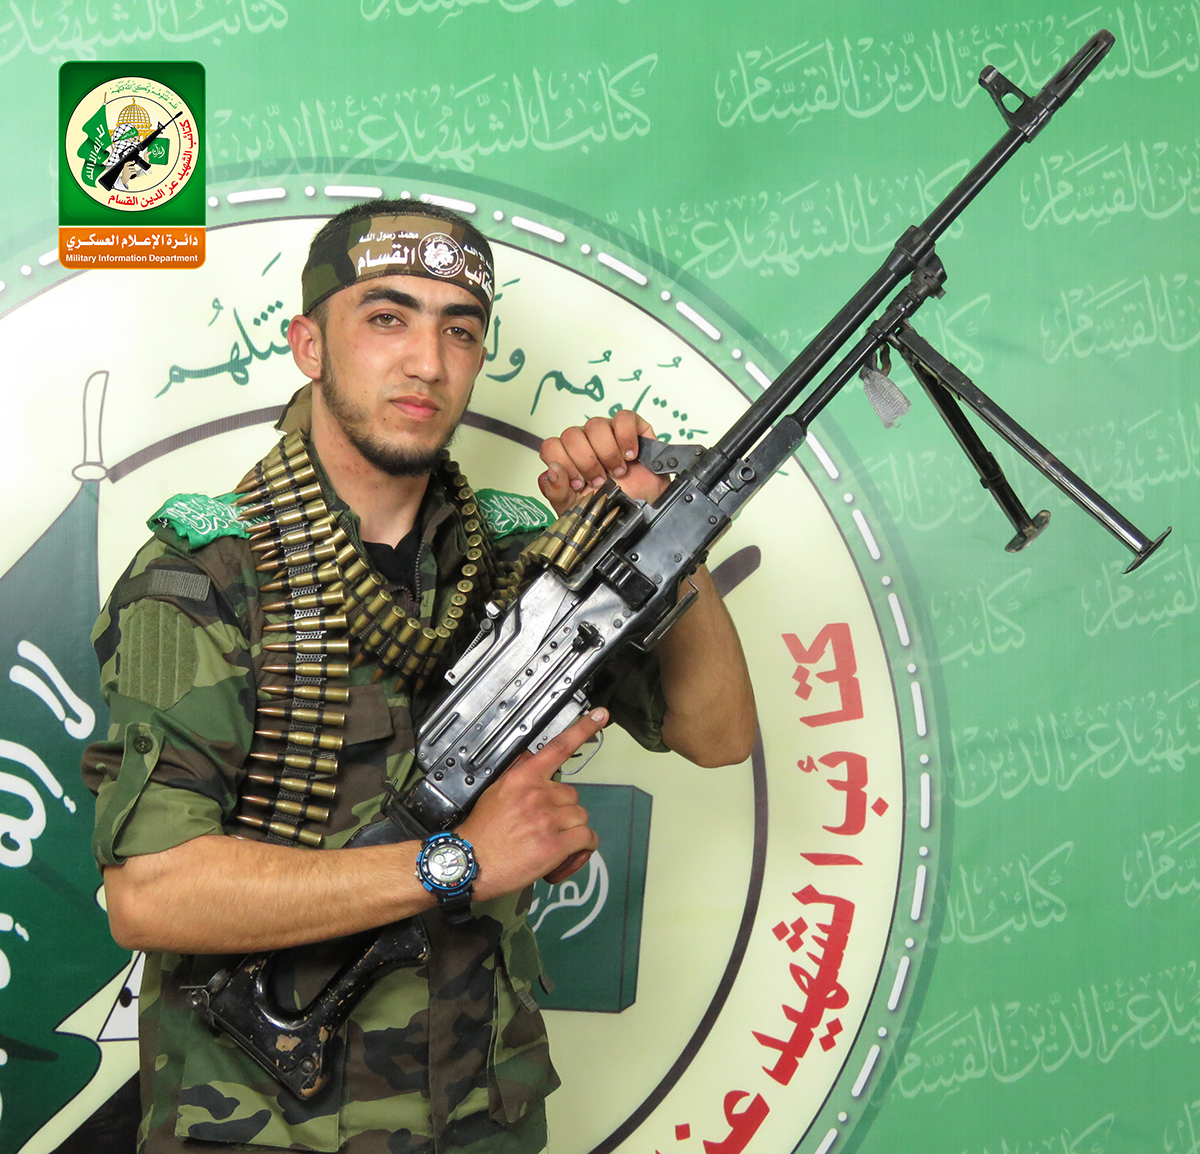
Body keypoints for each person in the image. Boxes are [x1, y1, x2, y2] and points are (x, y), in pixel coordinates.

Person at [82, 199, 756, 1154]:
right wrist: (462, 861)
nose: (427, 362)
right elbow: (153, 894)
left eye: (460, 330)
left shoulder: (520, 561)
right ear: (309, 345)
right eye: (387, 318)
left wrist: (662, 530)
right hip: (258, 1125)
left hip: (483, 1115)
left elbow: (716, 733)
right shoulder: (207, 576)